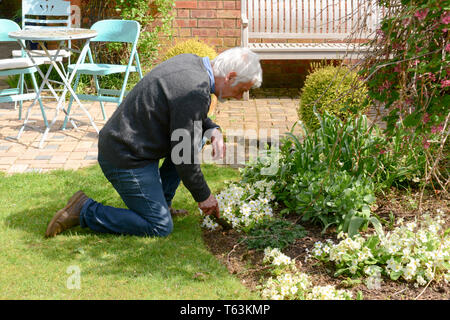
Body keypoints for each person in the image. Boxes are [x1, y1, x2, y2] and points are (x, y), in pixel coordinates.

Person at [45, 47, 263, 238]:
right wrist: (204, 196)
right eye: (242, 90)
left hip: (132, 146)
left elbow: (183, 113)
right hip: (125, 157)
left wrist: (211, 128)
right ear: (230, 76)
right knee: (159, 226)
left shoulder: (192, 64)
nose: (239, 96)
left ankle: (162, 204)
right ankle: (85, 210)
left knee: (195, 142)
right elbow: (183, 156)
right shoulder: (194, 91)